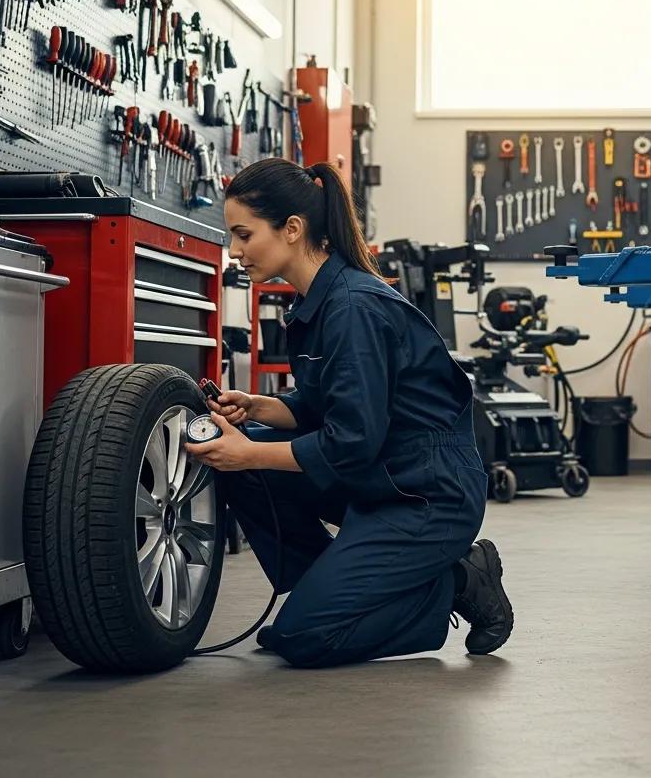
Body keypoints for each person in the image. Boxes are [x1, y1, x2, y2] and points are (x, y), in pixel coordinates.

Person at [185, 158, 514, 667]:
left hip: (427, 495)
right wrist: (260, 408)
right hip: (378, 477)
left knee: (302, 640)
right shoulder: (318, 304)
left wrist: (250, 451)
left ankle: (458, 580)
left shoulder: (352, 308)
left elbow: (351, 440)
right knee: (243, 469)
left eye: (244, 234)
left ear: (292, 229)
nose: (234, 251)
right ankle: (333, 591)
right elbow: (327, 408)